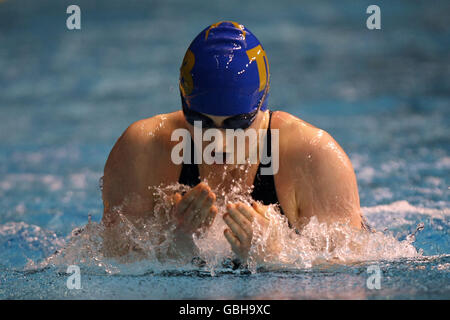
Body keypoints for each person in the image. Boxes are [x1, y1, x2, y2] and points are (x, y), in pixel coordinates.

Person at [101, 21, 365, 262]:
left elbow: (350, 278)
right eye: (202, 122)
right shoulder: (143, 150)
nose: (219, 143)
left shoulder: (313, 156)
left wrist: (276, 255)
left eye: (236, 124)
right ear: (184, 105)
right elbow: (109, 263)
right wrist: (174, 242)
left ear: (263, 107)